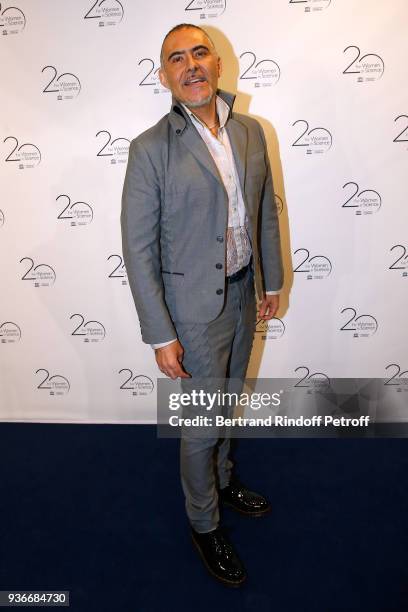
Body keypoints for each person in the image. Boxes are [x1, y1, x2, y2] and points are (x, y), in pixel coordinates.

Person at [121, 23, 283, 587]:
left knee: (227, 403)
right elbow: (137, 249)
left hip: (243, 293)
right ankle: (203, 520)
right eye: (176, 59)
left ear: (217, 63)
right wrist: (161, 335)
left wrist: (272, 280)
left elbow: (262, 211)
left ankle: (222, 479)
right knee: (199, 423)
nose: (190, 66)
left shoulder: (250, 132)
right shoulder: (149, 150)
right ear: (164, 75)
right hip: (192, 310)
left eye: (199, 53)